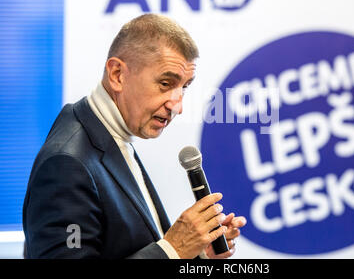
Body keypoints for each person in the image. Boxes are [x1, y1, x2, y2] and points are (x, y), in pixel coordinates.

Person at [22, 13, 246, 259]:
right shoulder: (67, 164)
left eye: (184, 87)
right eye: (165, 83)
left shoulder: (108, 131)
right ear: (117, 74)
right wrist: (173, 250)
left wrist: (196, 254)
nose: (177, 105)